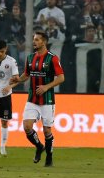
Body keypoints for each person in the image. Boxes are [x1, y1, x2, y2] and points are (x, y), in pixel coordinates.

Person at [9, 31, 65, 167]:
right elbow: (26, 75)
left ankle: (49, 157)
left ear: (44, 42)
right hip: (32, 99)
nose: (34, 42)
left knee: (47, 131)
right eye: (34, 39)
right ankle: (39, 146)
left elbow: (61, 78)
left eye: (37, 40)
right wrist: (17, 79)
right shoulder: (30, 58)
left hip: (47, 100)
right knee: (27, 127)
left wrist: (46, 87)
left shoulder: (52, 58)